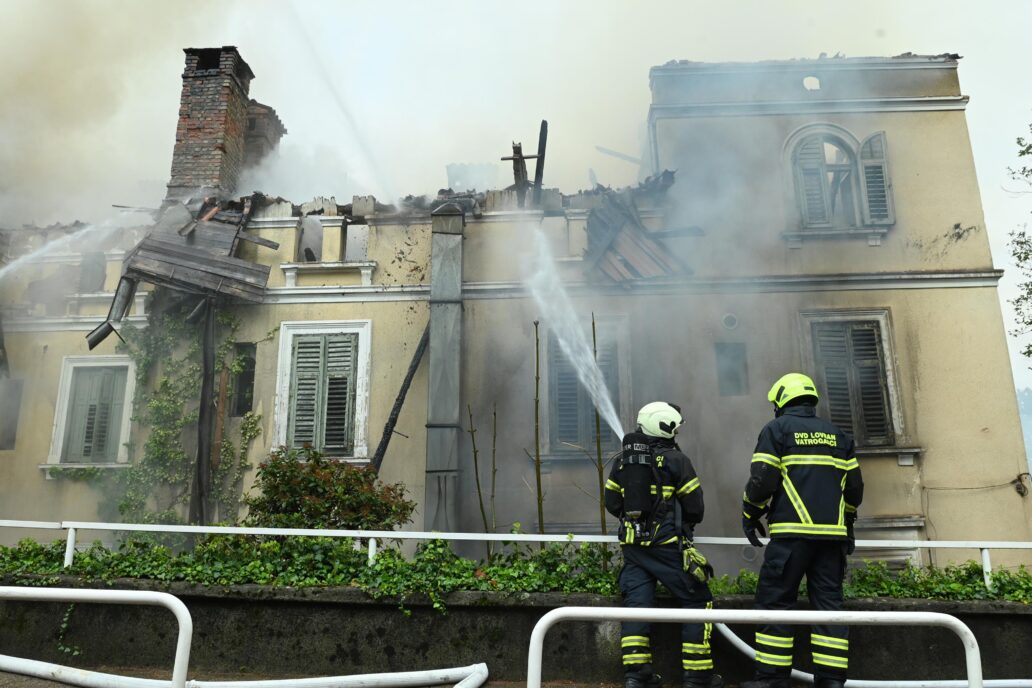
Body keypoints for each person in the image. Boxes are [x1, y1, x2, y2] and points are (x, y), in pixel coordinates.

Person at [740, 373, 864, 688]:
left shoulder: (777, 430)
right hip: (831, 541)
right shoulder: (838, 436)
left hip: (791, 539)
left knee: (776, 604)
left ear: (781, 401)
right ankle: (832, 682)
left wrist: (750, 513)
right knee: (829, 608)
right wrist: (847, 524)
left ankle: (771, 680)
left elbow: (763, 478)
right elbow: (854, 489)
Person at [605, 401, 723, 688]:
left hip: (634, 550)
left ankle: (637, 676)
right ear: (666, 427)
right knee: (698, 600)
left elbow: (612, 503)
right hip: (667, 547)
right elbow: (695, 508)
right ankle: (698, 677)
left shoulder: (623, 461)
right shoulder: (676, 461)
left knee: (637, 606)